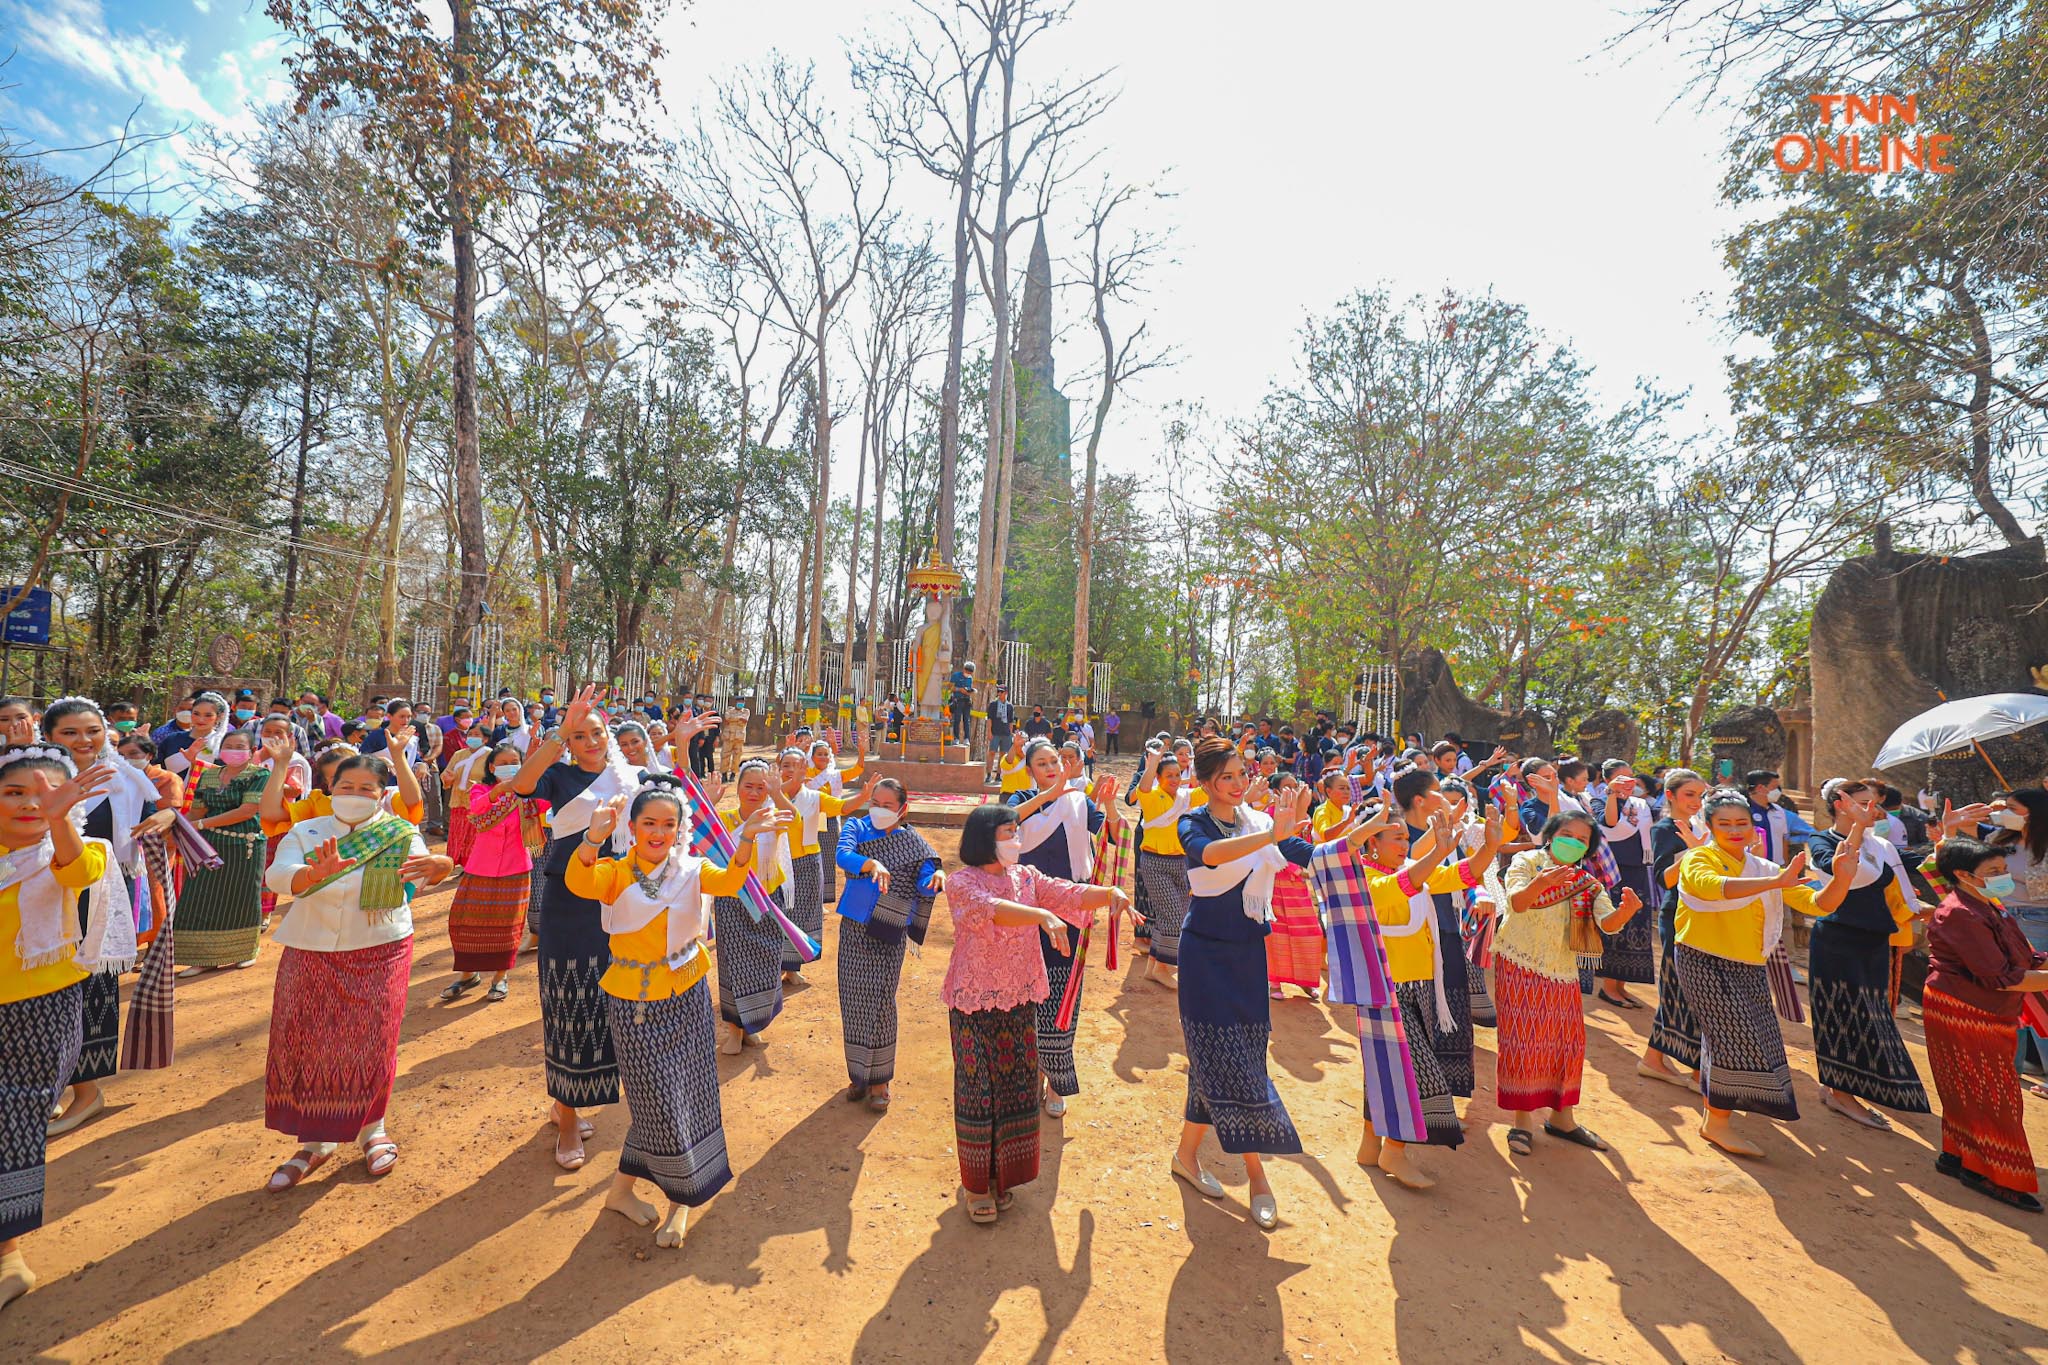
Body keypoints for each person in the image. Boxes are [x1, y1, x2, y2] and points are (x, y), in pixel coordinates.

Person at [566, 778, 782, 1247]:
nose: (658, 832)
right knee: (656, 1102)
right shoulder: (616, 872)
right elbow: (578, 882)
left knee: (691, 1093)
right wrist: (592, 837)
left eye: (668, 824)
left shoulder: (693, 868)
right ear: (633, 826)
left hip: (686, 994)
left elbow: (730, 882)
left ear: (680, 828)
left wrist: (745, 838)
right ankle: (633, 1193)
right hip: (633, 1001)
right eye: (649, 823)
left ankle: (676, 1204)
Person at [261, 754, 453, 1191]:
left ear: (382, 794)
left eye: (367, 789)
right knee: (307, 1040)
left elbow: (424, 871)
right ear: (331, 789)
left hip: (379, 948)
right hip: (310, 949)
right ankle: (315, 1141)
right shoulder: (306, 831)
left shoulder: (400, 832)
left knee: (372, 1040)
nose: (355, 795)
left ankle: (373, 1130)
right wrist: (313, 874)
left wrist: (441, 868)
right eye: (346, 786)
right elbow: (278, 877)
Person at [942, 802, 1124, 1224]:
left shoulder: (1026, 877)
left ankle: (1002, 1175)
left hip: (1021, 999)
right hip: (975, 1001)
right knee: (977, 1091)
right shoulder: (961, 882)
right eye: (1007, 833)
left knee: (1016, 1090)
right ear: (984, 838)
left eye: (1015, 832)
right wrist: (1041, 916)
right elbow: (990, 910)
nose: (1015, 840)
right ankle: (975, 1186)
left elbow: (1070, 893)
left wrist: (1110, 893)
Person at [1169, 737, 1317, 1229]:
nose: (1235, 785)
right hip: (1205, 958)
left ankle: (1186, 1157)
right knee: (1229, 1061)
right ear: (1207, 782)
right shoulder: (1194, 821)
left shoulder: (1258, 824)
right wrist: (1271, 834)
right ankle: (1258, 1176)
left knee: (1234, 1058)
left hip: (1249, 956)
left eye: (1240, 775)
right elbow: (1207, 856)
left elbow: (1308, 854)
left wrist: (1364, 837)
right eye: (1226, 777)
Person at [510, 686, 659, 1169]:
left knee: (618, 1004)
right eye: (580, 735)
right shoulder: (559, 774)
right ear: (569, 743)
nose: (590, 741)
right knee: (570, 1005)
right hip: (570, 904)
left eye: (596, 732)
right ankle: (569, 1117)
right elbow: (521, 786)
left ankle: (577, 1101)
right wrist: (557, 732)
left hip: (624, 901)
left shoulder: (631, 778)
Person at [0, 744, 125, 1310]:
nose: (32, 803)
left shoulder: (81, 850)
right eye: (15, 793)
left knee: (13, 1126)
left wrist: (57, 820)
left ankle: (9, 1259)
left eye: (48, 794)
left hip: (37, 1013)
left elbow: (72, 871)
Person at [1673, 788, 1860, 1157]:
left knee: (1747, 1037)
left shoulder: (1764, 868)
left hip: (1750, 965)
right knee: (1733, 1037)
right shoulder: (1699, 859)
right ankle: (1717, 1122)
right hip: (1702, 959)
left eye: (1742, 822)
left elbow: (1818, 905)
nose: (1734, 829)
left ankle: (1717, 1110)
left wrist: (1841, 878)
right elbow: (1714, 889)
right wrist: (1776, 883)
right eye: (1724, 823)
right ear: (1709, 826)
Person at [40, 699, 172, 1134]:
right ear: (50, 736)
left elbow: (156, 813)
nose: (84, 740)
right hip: (41, 895)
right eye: (70, 733)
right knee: (41, 990)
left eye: (92, 731)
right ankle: (51, 1088)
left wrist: (167, 815)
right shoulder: (33, 777)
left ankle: (87, 1092)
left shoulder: (125, 776)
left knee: (90, 989)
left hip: (97, 896)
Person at [1497, 811, 1642, 1158]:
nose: (1573, 842)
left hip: (1562, 970)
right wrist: (1541, 884)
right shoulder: (1527, 861)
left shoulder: (1588, 882)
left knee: (1567, 1044)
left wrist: (1626, 912)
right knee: (1524, 1041)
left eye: (1581, 839)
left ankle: (1563, 1118)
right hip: (1520, 961)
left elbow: (1607, 924)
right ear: (1550, 834)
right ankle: (1522, 1121)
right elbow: (1517, 902)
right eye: (1567, 834)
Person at [1921, 837, 2048, 1212]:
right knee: (1991, 1094)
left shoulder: (1984, 902)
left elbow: (2017, 956)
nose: (2003, 877)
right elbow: (2002, 977)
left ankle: (1959, 1155)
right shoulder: (1960, 912)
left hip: (1975, 1007)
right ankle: (1994, 1174)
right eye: (1993, 872)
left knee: (1970, 1088)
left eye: (2003, 870)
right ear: (1963, 875)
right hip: (1965, 1010)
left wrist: (2040, 962)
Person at [1801, 779, 1932, 1129]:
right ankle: (1840, 1094)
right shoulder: (1820, 841)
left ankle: (1841, 1089)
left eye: (1873, 804)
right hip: (1838, 941)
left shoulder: (1882, 845)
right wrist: (1858, 828)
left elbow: (1919, 865)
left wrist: (1950, 835)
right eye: (1863, 803)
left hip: (1874, 940)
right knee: (1840, 1016)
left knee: (1867, 1015)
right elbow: (1840, 871)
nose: (1873, 810)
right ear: (1841, 805)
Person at [1007, 740, 1122, 1115]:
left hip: (1072, 906)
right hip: (1027, 907)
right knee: (1027, 993)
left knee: (1062, 993)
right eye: (1042, 763)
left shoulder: (1079, 800)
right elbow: (1003, 824)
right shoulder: (1020, 797)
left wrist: (1106, 802)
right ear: (1031, 771)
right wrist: (1051, 795)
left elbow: (1113, 834)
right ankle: (1028, 1078)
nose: (1051, 767)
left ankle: (1055, 1081)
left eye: (1055, 761)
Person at [834, 778, 944, 1111]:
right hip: (854, 925)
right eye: (875, 803)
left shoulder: (914, 843)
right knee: (854, 1001)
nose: (879, 811)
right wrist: (871, 864)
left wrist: (936, 881)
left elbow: (925, 881)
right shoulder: (856, 826)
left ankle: (880, 1081)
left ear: (902, 809)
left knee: (882, 1002)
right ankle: (859, 1075)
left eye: (887, 806)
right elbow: (843, 856)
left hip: (890, 931)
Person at [439, 742, 541, 1004]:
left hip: (516, 869)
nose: (509, 767)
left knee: (508, 927)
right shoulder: (480, 790)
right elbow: (477, 809)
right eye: (503, 763)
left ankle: (499, 978)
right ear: (492, 767)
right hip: (479, 867)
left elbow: (548, 799)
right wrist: (499, 791)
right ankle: (467, 974)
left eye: (514, 762)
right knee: (466, 923)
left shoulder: (530, 795)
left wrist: (535, 764)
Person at [174, 728, 271, 974]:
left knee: (242, 898)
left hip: (244, 845)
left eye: (240, 747)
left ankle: (244, 952)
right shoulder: (208, 776)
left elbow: (247, 810)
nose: (234, 751)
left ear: (251, 752)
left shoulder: (259, 774)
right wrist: (183, 827)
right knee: (202, 897)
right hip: (208, 845)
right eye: (229, 745)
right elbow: (197, 811)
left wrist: (202, 824)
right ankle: (203, 959)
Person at [1641, 769, 1709, 1088]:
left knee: (1687, 989)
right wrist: (1695, 851)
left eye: (1700, 795)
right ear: (1670, 796)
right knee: (1679, 987)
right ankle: (1691, 1069)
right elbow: (1664, 879)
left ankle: (1654, 1059)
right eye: (1689, 795)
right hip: (1676, 914)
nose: (1696, 801)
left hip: (1702, 914)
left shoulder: (1702, 826)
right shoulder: (1665, 828)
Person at [778, 745, 867, 982]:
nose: (791, 771)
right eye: (786, 765)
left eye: (796, 766)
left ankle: (793, 968)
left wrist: (863, 797)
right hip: (776, 866)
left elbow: (842, 807)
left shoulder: (814, 798)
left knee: (801, 915)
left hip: (806, 863)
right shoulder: (770, 796)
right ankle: (774, 966)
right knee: (778, 915)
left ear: (805, 768)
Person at [1132, 746, 1206, 987]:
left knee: (1174, 915)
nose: (1174, 779)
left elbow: (1208, 789)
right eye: (1169, 775)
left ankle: (1154, 966)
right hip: (1155, 863)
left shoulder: (1186, 797)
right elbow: (1142, 787)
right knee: (1174, 916)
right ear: (1159, 777)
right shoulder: (1152, 796)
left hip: (1181, 862)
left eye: (1177, 774)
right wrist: (1153, 760)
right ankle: (1164, 967)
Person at [1594, 761, 1659, 1008]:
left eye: (1631, 778)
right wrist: (1611, 794)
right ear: (1608, 780)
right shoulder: (1599, 801)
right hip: (1614, 873)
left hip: (1638, 870)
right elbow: (1610, 822)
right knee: (1617, 926)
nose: (1628, 783)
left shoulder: (1640, 805)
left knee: (1636, 927)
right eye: (1621, 778)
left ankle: (1622, 986)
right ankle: (1609, 988)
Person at [1263, 773, 1326, 1000]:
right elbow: (1271, 848)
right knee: (1275, 933)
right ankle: (1275, 982)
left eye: (1295, 786)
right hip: (1275, 881)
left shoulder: (1304, 815)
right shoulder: (1268, 816)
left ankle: (1306, 981)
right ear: (1276, 792)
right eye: (1287, 787)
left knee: (1308, 929)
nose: (1294, 791)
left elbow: (1304, 846)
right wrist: (1295, 869)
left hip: (1297, 884)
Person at [986, 685, 1016, 773]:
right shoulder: (993, 704)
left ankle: (999, 774)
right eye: (998, 691)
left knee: (1003, 754)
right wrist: (989, 732)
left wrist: (1010, 734)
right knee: (992, 752)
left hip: (1006, 733)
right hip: (995, 732)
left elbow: (1011, 721)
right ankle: (988, 773)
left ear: (1006, 693)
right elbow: (989, 719)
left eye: (1001, 692)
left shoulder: (1010, 706)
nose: (999, 694)